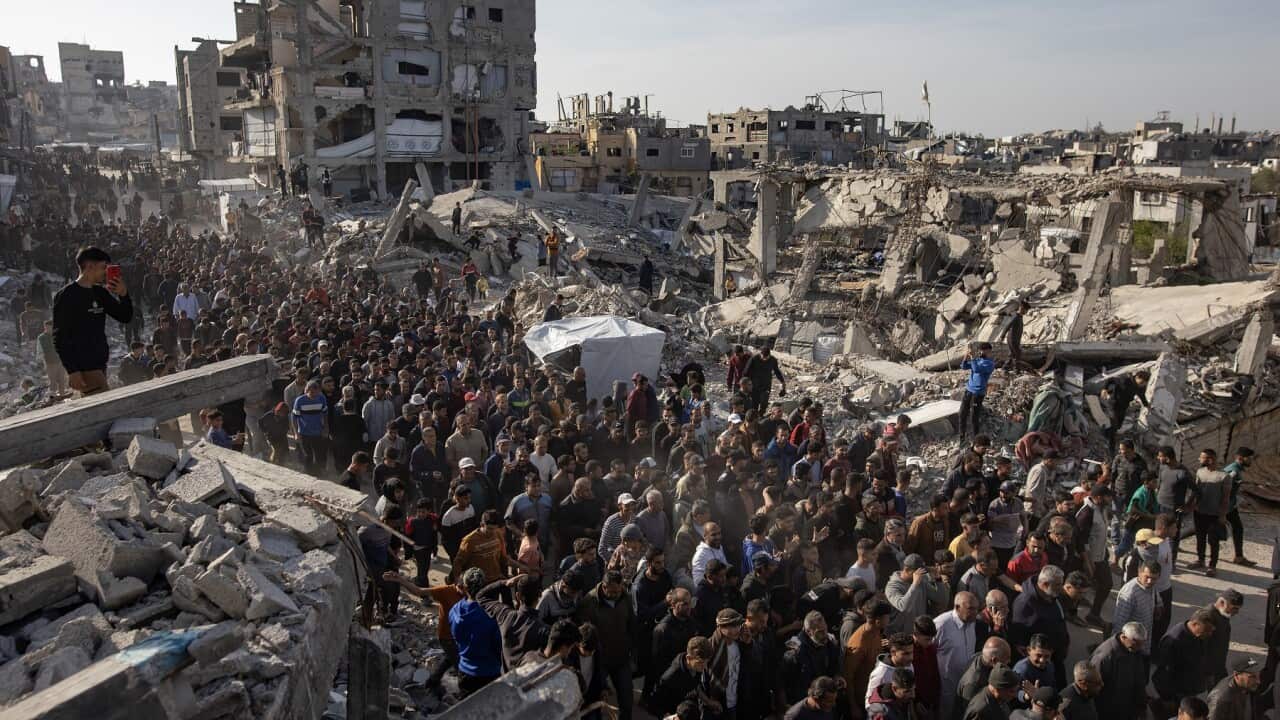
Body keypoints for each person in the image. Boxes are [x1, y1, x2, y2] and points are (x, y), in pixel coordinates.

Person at [52, 246, 133, 395]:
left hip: (100, 363)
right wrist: (72, 370)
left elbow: (125, 316)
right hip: (84, 367)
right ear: (90, 266)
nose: (105, 272)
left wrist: (123, 294)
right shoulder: (67, 296)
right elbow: (59, 336)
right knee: (105, 411)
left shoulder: (99, 292)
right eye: (103, 267)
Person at [576, 570, 637, 720]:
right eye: (613, 591)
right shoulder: (589, 602)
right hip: (599, 661)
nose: (617, 594)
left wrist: (632, 651)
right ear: (604, 587)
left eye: (619, 590)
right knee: (596, 702)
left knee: (626, 700)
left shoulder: (626, 598)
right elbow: (585, 634)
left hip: (621, 658)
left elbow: (632, 625)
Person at [450, 567, 504, 696]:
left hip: (465, 671)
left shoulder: (455, 610)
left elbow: (455, 638)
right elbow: (498, 645)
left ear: (465, 587)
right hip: (489, 673)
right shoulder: (491, 613)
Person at [1153, 608, 1219, 713]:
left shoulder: (1199, 635)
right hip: (1176, 694)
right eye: (1207, 630)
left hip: (1190, 688)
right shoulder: (1173, 641)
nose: (1209, 634)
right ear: (1195, 624)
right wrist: (1167, 699)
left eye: (1211, 631)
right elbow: (1163, 674)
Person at [1190, 449, 1231, 577]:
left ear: (1211, 459)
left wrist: (1223, 515)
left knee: (1213, 541)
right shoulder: (1200, 472)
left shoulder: (1224, 476)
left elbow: (1225, 498)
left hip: (1214, 514)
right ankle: (1200, 560)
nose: (1199, 460)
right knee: (1200, 537)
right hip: (1200, 512)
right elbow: (1196, 491)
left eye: (1202, 458)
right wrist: (1190, 505)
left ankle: (1212, 566)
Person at [1220, 448, 1255, 566]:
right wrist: (1223, 510)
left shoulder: (1237, 469)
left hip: (1230, 505)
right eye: (1249, 458)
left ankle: (1239, 556)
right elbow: (1223, 488)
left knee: (1238, 528)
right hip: (1225, 506)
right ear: (1240, 458)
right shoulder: (1233, 471)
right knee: (1210, 529)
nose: (1251, 461)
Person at [1101, 370, 1150, 454]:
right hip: (1113, 404)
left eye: (1144, 383)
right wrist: (1104, 389)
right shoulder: (1125, 380)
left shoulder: (1140, 386)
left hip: (1123, 407)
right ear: (1137, 377)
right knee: (1114, 425)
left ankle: (1106, 432)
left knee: (1119, 425)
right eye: (1142, 382)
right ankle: (1111, 448)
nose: (1143, 384)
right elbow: (1111, 379)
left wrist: (1147, 405)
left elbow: (1141, 395)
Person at [958, 343, 995, 439]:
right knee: (962, 413)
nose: (981, 352)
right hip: (968, 391)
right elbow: (963, 366)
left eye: (984, 350)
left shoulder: (989, 364)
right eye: (980, 350)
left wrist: (973, 358)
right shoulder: (978, 360)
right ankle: (962, 436)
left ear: (989, 351)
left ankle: (976, 439)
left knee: (974, 417)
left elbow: (977, 369)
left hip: (978, 394)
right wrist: (966, 356)